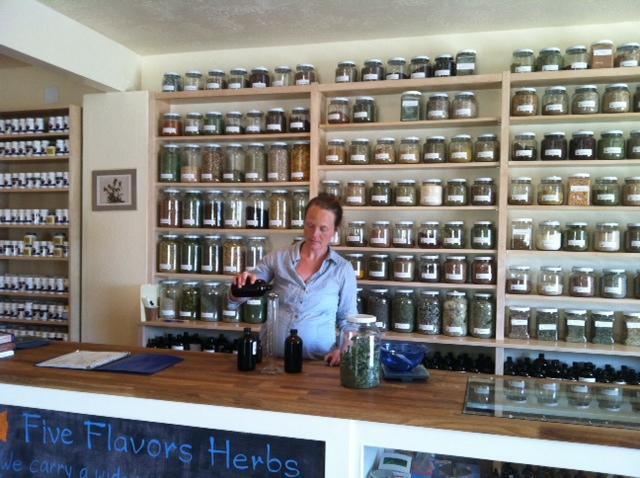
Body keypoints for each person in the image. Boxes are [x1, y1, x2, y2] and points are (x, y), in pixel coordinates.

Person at [230, 193, 357, 365]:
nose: (314, 234)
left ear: (335, 230)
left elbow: (348, 320)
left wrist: (343, 349)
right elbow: (237, 297)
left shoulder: (343, 269)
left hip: (319, 364)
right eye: (310, 225)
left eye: (323, 229)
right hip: (272, 361)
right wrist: (239, 288)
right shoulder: (278, 258)